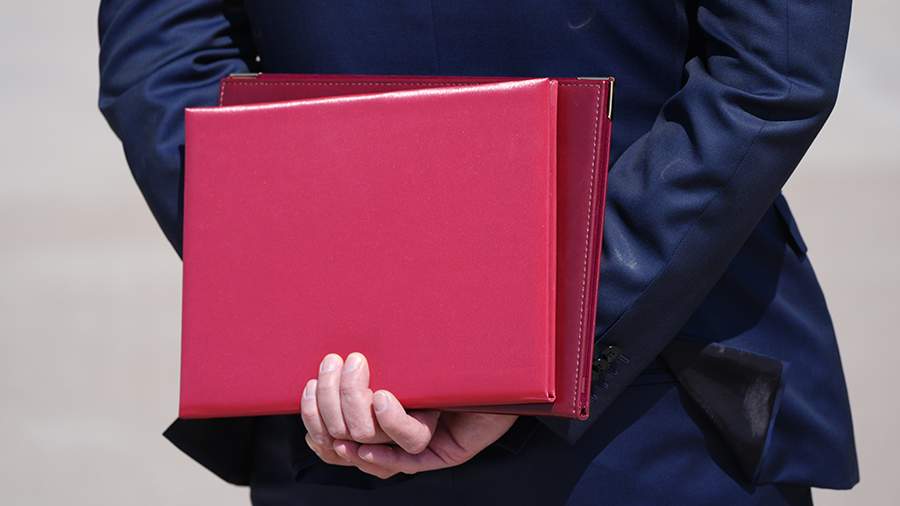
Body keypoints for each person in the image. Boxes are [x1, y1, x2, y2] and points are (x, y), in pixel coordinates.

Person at [97, 1, 858, 504]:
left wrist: (328, 294)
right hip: (649, 383)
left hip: (357, 391)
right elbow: (774, 67)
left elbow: (160, 65)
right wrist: (523, 342)